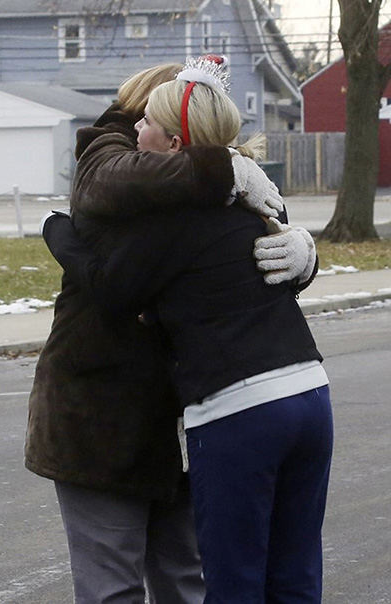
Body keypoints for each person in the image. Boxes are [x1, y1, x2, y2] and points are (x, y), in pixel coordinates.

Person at [26, 61, 316, 603]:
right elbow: (112, 273)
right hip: (102, 415)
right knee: (114, 584)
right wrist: (222, 169)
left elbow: (251, 248)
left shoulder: (197, 186)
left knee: (188, 578)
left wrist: (302, 252)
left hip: (195, 416)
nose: (141, 136)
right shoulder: (112, 150)